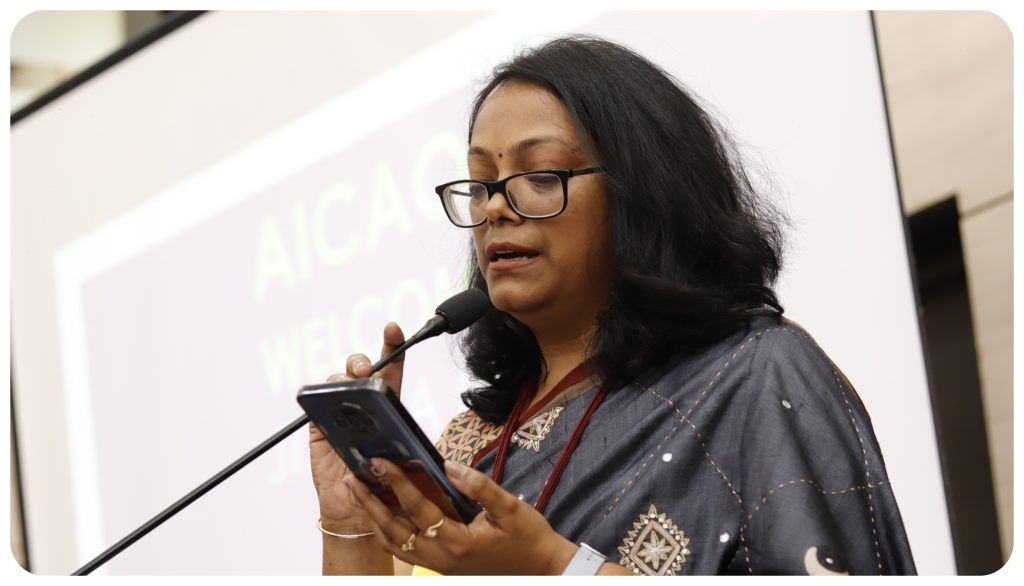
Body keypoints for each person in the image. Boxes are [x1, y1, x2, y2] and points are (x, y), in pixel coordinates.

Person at [308, 35, 917, 576]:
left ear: (642, 192)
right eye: (481, 183)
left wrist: (553, 568)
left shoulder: (758, 376)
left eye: (540, 174)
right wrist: (352, 522)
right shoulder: (471, 445)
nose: (495, 207)